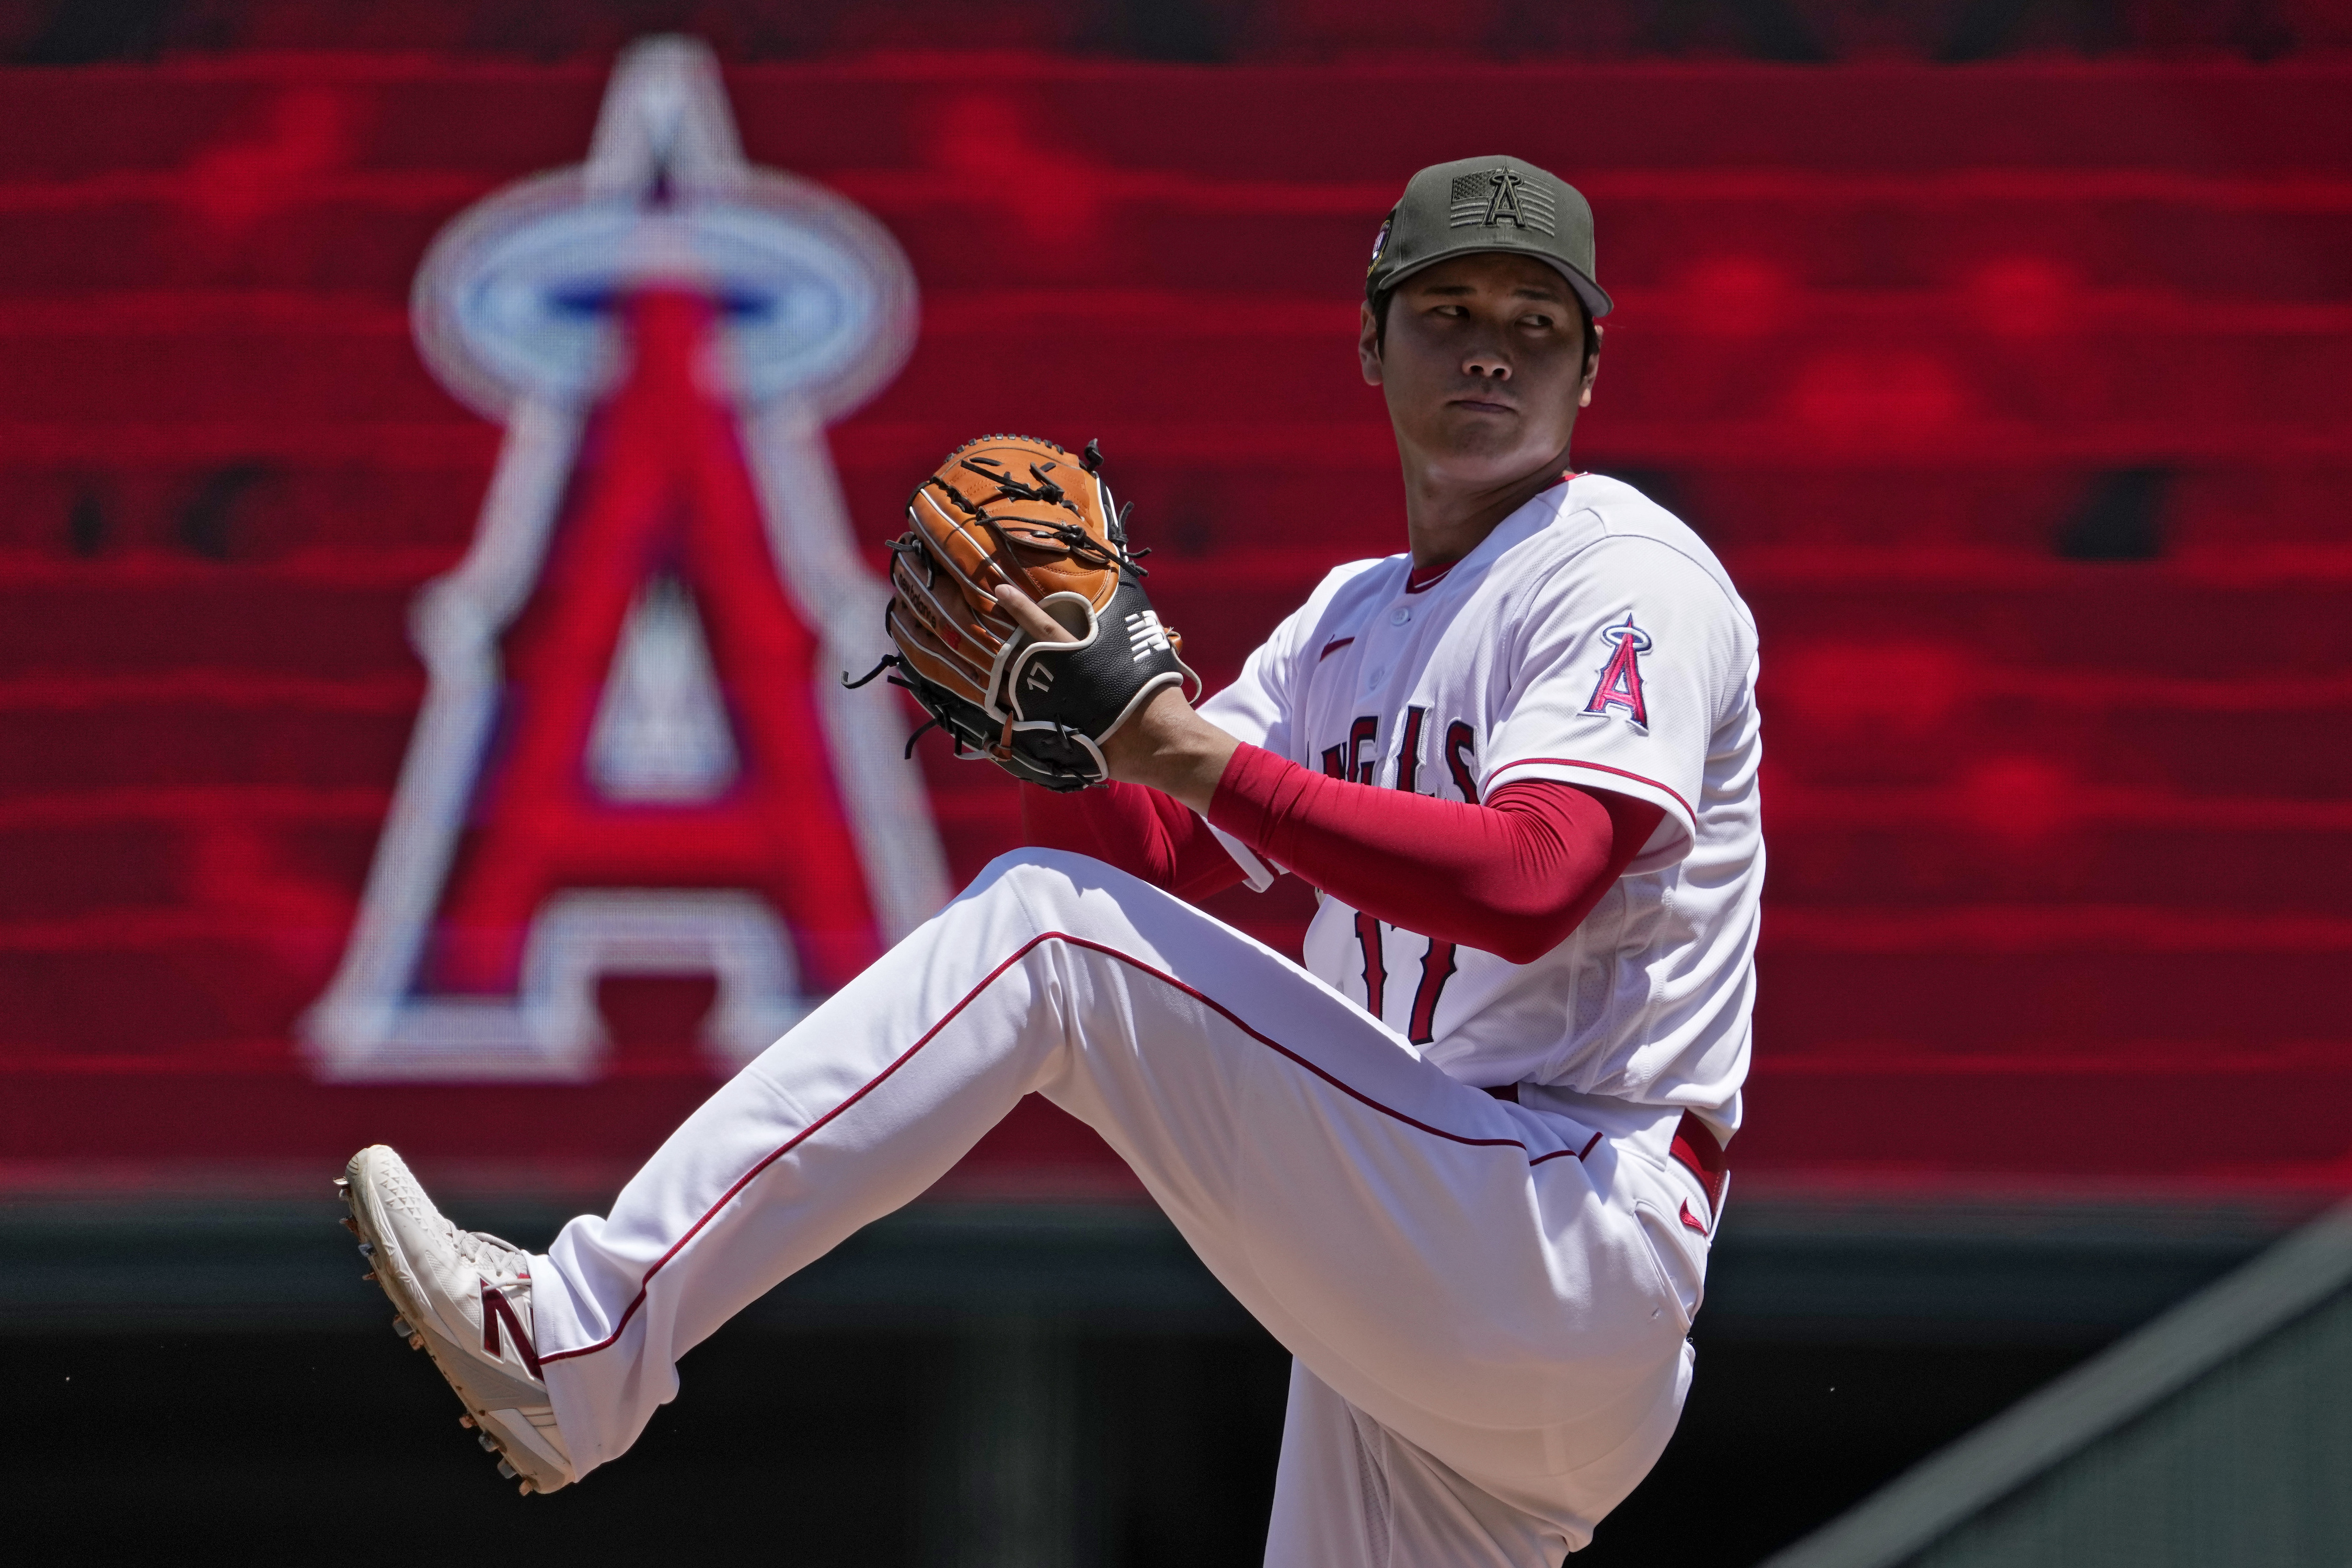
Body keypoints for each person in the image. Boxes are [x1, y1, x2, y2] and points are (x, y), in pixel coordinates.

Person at [340, 154, 1763, 1566]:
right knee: (1066, 920)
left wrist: (1176, 747)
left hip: (1568, 1224)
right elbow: (1150, 851)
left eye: (1535, 324)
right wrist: (1058, 725)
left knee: (1043, 936)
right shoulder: (1352, 616)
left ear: (1588, 369)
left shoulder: (1620, 572)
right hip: (1432, 1276)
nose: (1491, 354)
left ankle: (583, 1335)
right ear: (1370, 340)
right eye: (1449, 311)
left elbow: (1529, 881)